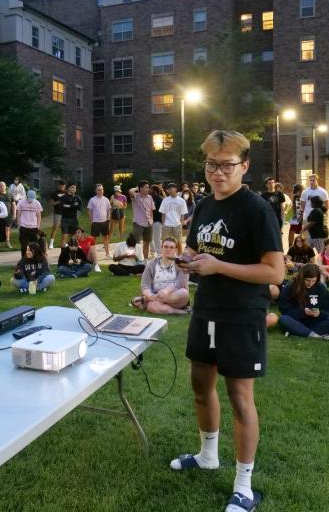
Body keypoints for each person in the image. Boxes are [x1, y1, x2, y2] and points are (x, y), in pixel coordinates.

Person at [169, 130, 283, 512]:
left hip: (241, 315)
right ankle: (207, 455)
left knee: (239, 396)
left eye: (227, 165)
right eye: (211, 164)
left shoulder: (256, 209)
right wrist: (187, 257)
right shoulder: (203, 206)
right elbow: (196, 247)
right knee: (201, 386)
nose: (218, 172)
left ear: (244, 166)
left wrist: (218, 265)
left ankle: (244, 486)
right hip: (207, 309)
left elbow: (275, 273)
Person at [130, 237, 189, 312]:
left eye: (171, 247)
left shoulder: (181, 264)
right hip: (155, 296)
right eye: (166, 247)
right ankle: (180, 312)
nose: (168, 249)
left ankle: (145, 301)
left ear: (175, 249)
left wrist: (166, 291)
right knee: (152, 307)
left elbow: (181, 282)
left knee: (183, 293)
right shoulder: (151, 264)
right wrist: (148, 294)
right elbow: (145, 285)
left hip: (175, 297)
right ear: (161, 248)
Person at [278, 264, 329, 339]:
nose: (310, 283)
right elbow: (283, 309)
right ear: (301, 277)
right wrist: (303, 312)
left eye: (313, 281)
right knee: (283, 319)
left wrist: (319, 313)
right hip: (297, 321)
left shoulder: (320, 288)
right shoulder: (291, 286)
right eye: (307, 280)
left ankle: (304, 332)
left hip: (315, 322)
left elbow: (327, 309)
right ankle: (316, 336)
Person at [129, 180, 155, 260]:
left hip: (148, 223)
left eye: (148, 187)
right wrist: (137, 188)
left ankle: (145, 260)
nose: (148, 189)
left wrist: (151, 221)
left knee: (146, 243)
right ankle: (136, 260)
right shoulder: (135, 196)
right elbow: (130, 191)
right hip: (138, 223)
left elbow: (151, 210)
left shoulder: (150, 197)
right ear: (141, 188)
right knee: (136, 243)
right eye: (146, 187)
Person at [159, 182, 188, 254]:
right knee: (164, 241)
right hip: (167, 224)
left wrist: (181, 224)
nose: (170, 190)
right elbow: (163, 213)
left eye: (171, 188)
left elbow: (182, 214)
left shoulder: (181, 201)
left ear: (175, 189)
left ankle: (179, 257)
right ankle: (164, 255)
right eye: (168, 189)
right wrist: (163, 224)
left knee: (178, 242)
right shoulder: (165, 200)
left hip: (177, 224)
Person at [87, 184, 112, 257]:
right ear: (96, 191)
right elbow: (89, 211)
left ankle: (107, 254)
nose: (101, 191)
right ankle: (92, 253)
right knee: (93, 239)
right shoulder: (92, 200)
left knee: (106, 238)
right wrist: (91, 221)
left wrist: (108, 219)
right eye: (99, 190)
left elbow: (108, 210)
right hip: (95, 222)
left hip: (104, 222)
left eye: (102, 189)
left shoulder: (106, 199)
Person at [16, 189, 43, 254]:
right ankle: (24, 259)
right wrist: (19, 225)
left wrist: (38, 226)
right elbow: (18, 214)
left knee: (34, 245)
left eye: (32, 198)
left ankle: (34, 258)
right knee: (24, 245)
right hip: (24, 226)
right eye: (29, 198)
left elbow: (39, 216)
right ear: (26, 197)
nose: (31, 200)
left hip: (34, 227)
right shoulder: (21, 202)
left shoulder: (37, 203)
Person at [60, 182, 82, 247]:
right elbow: (63, 207)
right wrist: (73, 206)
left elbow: (79, 207)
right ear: (68, 188)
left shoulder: (77, 198)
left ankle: (72, 251)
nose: (74, 189)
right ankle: (63, 253)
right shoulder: (63, 197)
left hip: (74, 219)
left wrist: (69, 206)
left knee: (74, 236)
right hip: (65, 219)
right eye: (72, 187)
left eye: (75, 188)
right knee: (64, 235)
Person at [49, 179, 66, 249]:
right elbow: (51, 203)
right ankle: (51, 243)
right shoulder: (54, 193)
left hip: (66, 213)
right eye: (61, 186)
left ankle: (63, 243)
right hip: (58, 213)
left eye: (63, 186)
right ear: (59, 185)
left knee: (65, 229)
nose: (62, 188)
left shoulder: (66, 192)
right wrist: (59, 202)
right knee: (55, 227)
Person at [0, 181, 14, 248]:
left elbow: (13, 204)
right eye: (1, 186)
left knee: (8, 228)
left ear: (5, 186)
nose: (2, 187)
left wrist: (14, 213)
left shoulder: (9, 194)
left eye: (3, 186)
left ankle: (7, 242)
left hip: (8, 214)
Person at [150, 184, 164, 257]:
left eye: (151, 189)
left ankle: (159, 253)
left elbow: (162, 211)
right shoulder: (150, 198)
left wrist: (162, 221)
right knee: (150, 237)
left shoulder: (160, 199)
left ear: (154, 191)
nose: (149, 190)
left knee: (157, 238)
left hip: (157, 221)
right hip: (150, 221)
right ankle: (152, 251)